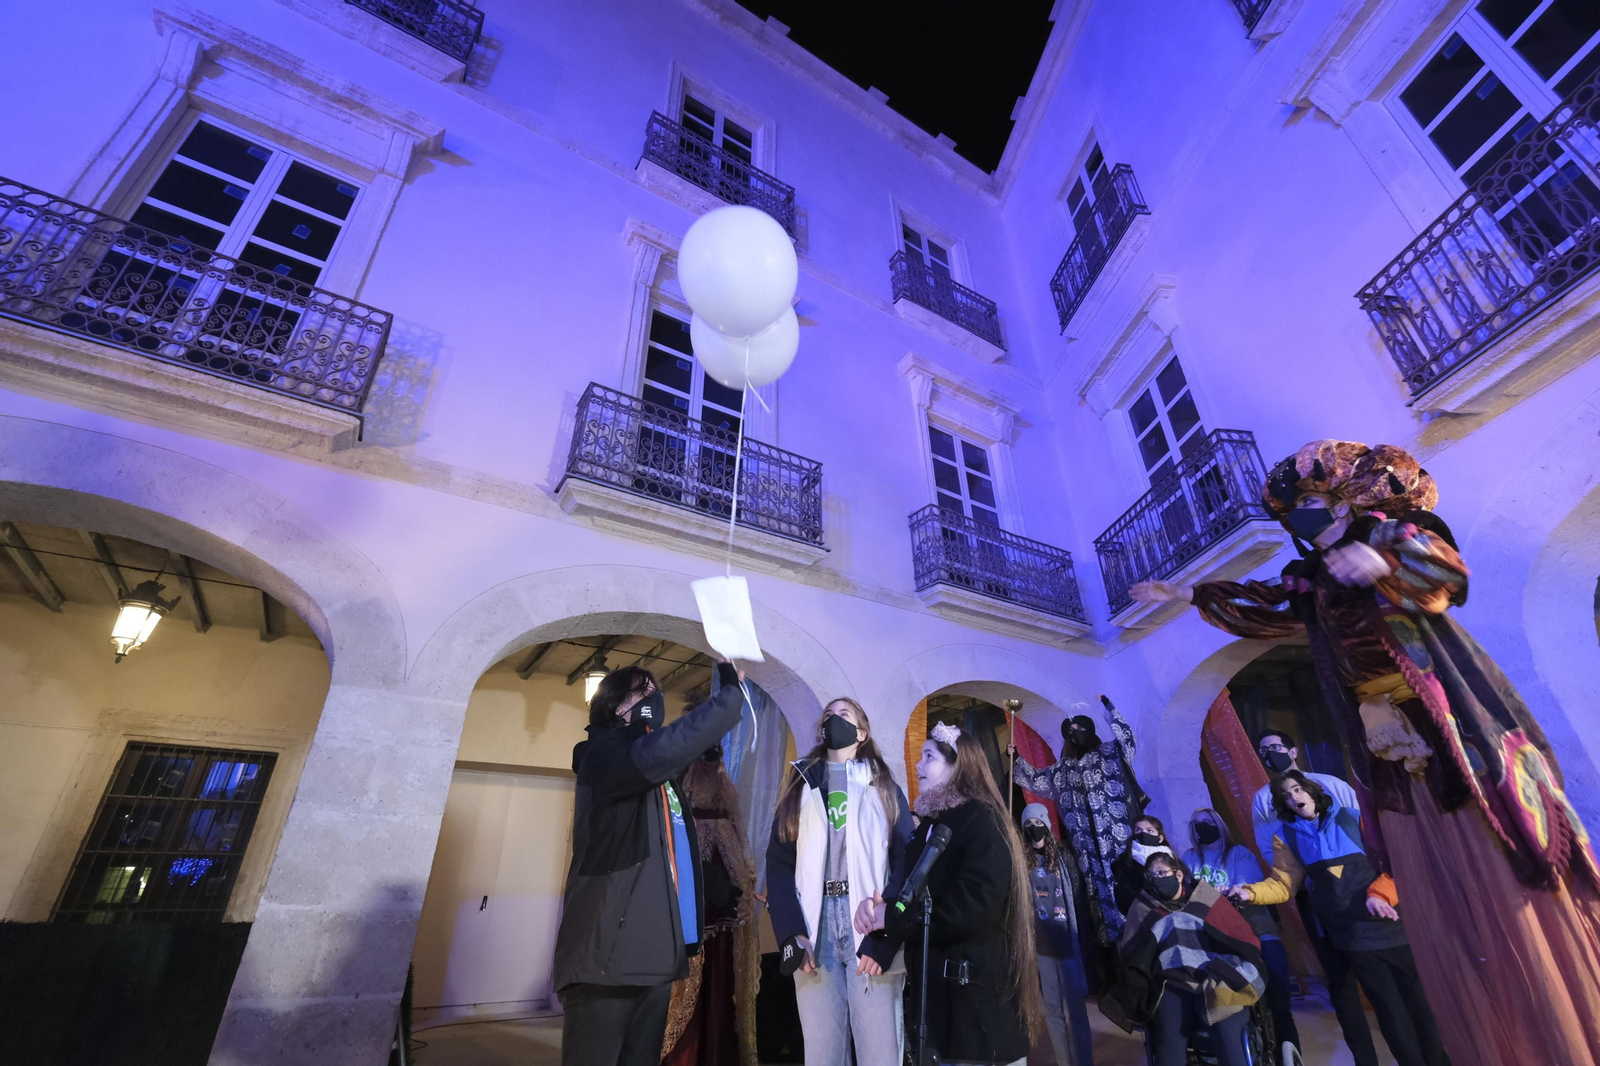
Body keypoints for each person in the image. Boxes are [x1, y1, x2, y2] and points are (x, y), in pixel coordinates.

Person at [1132, 439, 1600, 1066]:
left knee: (1498, 846)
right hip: (1381, 738)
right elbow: (1266, 608)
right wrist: (1189, 596)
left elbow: (1445, 577)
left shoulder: (1390, 537)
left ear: (1346, 502)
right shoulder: (1313, 578)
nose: (1306, 516)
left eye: (1316, 502)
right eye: (1295, 508)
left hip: (1441, 720)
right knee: (1428, 866)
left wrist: (1384, 565)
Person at [553, 662, 747, 1066]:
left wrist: (720, 887)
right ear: (615, 707)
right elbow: (670, 746)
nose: (655, 700)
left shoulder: (660, 781)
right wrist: (727, 697)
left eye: (658, 692)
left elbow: (668, 850)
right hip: (606, 958)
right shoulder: (604, 756)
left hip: (653, 959)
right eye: (643, 693)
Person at [1231, 772, 1448, 1066]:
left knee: (1420, 1004)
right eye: (1285, 795)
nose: (1294, 797)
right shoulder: (1287, 836)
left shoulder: (1354, 819)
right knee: (1389, 1009)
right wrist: (1249, 893)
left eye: (1297, 789)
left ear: (1311, 791)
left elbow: (1396, 862)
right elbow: (1283, 884)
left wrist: (1379, 895)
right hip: (1352, 935)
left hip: (1390, 924)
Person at [862, 721, 1045, 1066]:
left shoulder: (982, 821)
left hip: (977, 1008)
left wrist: (894, 918)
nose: (918, 766)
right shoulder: (929, 828)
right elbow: (912, 895)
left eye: (928, 756)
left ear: (958, 764)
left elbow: (974, 907)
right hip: (942, 1010)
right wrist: (880, 910)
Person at [765, 698, 912, 1066]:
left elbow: (905, 862)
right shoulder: (799, 784)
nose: (833, 719)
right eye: (828, 715)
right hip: (816, 930)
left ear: (861, 733)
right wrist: (791, 933)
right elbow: (779, 863)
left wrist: (886, 934)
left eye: (844, 715)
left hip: (868, 926)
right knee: (822, 1054)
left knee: (880, 1052)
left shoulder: (884, 788)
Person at [1249, 731, 1375, 1066]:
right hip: (1311, 892)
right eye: (1263, 750)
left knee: (1376, 969)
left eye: (1276, 747)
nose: (1270, 753)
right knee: (1339, 980)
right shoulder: (1263, 798)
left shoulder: (1330, 783)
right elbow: (1268, 846)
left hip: (1360, 887)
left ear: (1292, 750)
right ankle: (1364, 1058)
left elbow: (1361, 827)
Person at [1010, 694, 1147, 943]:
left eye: (1080, 728)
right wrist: (1016, 758)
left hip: (1118, 840)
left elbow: (1128, 740)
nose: (1075, 733)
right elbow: (1035, 779)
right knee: (1099, 897)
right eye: (1070, 730)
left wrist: (1110, 709)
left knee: (1132, 888)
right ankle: (1114, 953)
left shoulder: (1111, 753)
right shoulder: (1062, 770)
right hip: (1087, 848)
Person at [1107, 852, 1263, 1066]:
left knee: (1227, 1036)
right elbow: (1134, 953)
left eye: (1162, 872)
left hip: (1216, 975)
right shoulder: (1143, 907)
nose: (1157, 879)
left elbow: (1240, 937)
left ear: (1178, 875)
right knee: (1169, 1041)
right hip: (1172, 981)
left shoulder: (1205, 897)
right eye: (1151, 876)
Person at [661, 746, 758, 1066]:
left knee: (722, 971)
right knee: (691, 971)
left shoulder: (723, 785)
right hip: (694, 881)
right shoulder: (682, 786)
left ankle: (718, 1053)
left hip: (725, 889)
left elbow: (738, 828)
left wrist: (745, 881)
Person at [1181, 807, 1300, 1066]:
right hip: (1216, 941)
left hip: (1256, 933)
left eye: (1209, 822)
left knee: (1279, 1004)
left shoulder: (1239, 854)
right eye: (1198, 823)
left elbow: (1244, 889)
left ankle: (1290, 1058)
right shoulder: (1189, 858)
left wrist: (1216, 892)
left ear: (1220, 825)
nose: (1203, 827)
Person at [1022, 802, 1095, 1066]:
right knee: (1052, 1010)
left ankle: (1084, 1062)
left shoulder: (1064, 858)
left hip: (1068, 944)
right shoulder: (1023, 861)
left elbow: (1078, 897)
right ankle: (1065, 1062)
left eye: (1038, 823)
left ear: (1048, 826)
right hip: (1042, 948)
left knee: (1076, 1011)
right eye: (1028, 825)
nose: (1034, 829)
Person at [1112, 814, 1173, 915]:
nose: (1143, 834)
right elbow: (1124, 899)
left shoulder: (1171, 859)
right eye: (1138, 830)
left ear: (1160, 838)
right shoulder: (1124, 864)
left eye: (1150, 830)